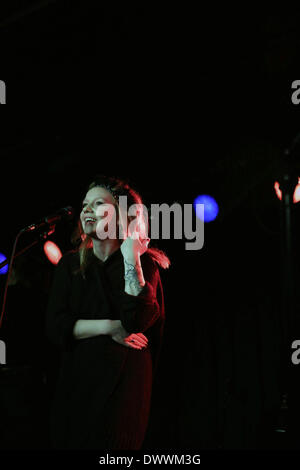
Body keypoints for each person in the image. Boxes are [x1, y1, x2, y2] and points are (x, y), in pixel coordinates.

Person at [45, 175, 170, 450]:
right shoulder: (69, 265)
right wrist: (108, 327)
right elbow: (55, 327)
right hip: (75, 391)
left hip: (121, 394)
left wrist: (130, 256)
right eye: (84, 204)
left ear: (123, 215)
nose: (87, 209)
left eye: (98, 203)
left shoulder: (144, 264)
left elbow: (136, 320)